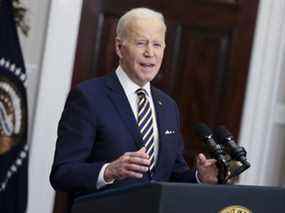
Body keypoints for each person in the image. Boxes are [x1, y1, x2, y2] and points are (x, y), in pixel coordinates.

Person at [50, 7, 218, 201]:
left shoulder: (168, 106)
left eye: (157, 44)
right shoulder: (88, 97)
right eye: (141, 43)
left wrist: (200, 177)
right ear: (119, 48)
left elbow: (173, 176)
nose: (150, 53)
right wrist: (108, 171)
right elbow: (62, 173)